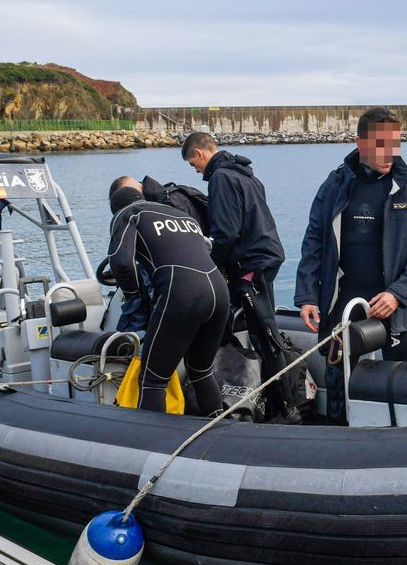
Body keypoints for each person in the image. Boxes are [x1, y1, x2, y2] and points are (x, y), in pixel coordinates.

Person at [294, 107, 407, 422]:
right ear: (361, 144)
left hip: (395, 305)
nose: (389, 152)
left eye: (394, 143)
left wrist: (397, 293)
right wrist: (307, 294)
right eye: (380, 144)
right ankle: (339, 431)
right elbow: (314, 240)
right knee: (337, 375)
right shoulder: (335, 185)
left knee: (398, 378)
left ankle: (395, 436)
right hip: (344, 301)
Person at [181, 133, 300, 421]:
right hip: (267, 256)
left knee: (264, 335)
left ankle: (287, 408)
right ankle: (276, 401)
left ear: (199, 153)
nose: (195, 170)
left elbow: (226, 232)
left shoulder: (221, 178)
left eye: (192, 163)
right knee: (261, 328)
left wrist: (209, 267)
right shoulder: (246, 174)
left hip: (250, 263)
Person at [106, 181, 229, 415]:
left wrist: (133, 294)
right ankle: (221, 431)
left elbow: (120, 262)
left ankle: (153, 445)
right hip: (219, 291)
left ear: (116, 207)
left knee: (153, 380)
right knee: (201, 371)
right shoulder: (182, 216)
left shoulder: (128, 214)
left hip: (182, 290)